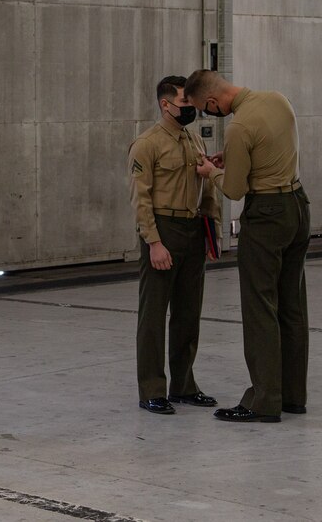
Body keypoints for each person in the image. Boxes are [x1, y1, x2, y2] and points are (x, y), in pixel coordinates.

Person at [185, 69, 311, 423]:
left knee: (260, 309)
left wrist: (212, 172)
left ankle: (264, 401)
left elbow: (235, 189)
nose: (207, 114)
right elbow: (269, 148)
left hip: (267, 216)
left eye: (204, 110)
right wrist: (234, 157)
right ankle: (293, 396)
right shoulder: (277, 99)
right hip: (298, 208)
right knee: (292, 306)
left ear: (213, 102)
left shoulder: (239, 127)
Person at [127, 75, 219, 416]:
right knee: (153, 316)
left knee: (187, 313)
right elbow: (140, 198)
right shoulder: (147, 144)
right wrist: (153, 242)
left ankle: (184, 386)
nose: (190, 109)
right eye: (184, 104)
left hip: (193, 229)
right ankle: (152, 388)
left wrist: (213, 228)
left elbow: (207, 187)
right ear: (165, 105)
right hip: (162, 230)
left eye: (192, 104)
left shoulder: (194, 140)